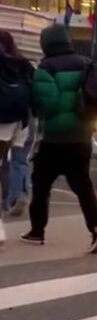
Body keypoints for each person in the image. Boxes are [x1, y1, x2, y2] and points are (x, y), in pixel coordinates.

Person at [23, 24, 97, 253]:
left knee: (41, 186)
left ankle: (37, 232)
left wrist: (38, 108)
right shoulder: (87, 63)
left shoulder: (46, 68)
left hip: (55, 139)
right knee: (83, 186)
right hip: (82, 136)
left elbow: (48, 104)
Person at [0, 30, 34, 220]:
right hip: (24, 118)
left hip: (4, 119)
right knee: (20, 159)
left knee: (4, 162)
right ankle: (20, 194)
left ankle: (7, 203)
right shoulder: (23, 62)